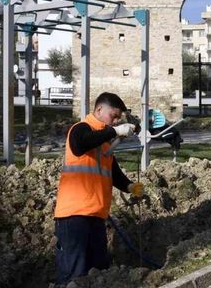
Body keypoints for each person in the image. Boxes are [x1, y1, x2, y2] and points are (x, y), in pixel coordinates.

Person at [54, 92, 144, 284]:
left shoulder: (103, 143)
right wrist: (114, 132)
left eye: (119, 118)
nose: (116, 121)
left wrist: (129, 186)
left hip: (96, 216)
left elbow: (112, 171)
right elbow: (80, 144)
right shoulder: (80, 129)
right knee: (74, 275)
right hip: (74, 215)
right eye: (114, 116)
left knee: (98, 274)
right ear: (99, 109)